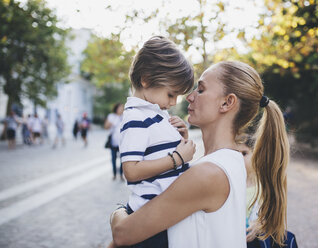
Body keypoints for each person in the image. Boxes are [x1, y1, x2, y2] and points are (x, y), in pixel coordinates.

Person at [109, 61, 290, 248]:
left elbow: (122, 234)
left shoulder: (208, 174)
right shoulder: (230, 161)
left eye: (201, 90)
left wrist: (120, 210)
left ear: (227, 102)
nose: (189, 97)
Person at [111, 36, 196, 248]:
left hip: (163, 215)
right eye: (171, 94)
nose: (174, 102)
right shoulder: (136, 118)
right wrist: (176, 158)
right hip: (149, 220)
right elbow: (131, 171)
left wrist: (181, 138)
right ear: (146, 79)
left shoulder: (156, 114)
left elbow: (159, 153)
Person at [104, 103, 125, 180]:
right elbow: (106, 127)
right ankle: (114, 174)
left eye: (122, 108)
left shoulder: (125, 116)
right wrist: (110, 124)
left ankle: (121, 174)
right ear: (116, 108)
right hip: (113, 141)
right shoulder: (111, 116)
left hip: (122, 142)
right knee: (113, 158)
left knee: (122, 159)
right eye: (120, 108)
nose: (121, 109)